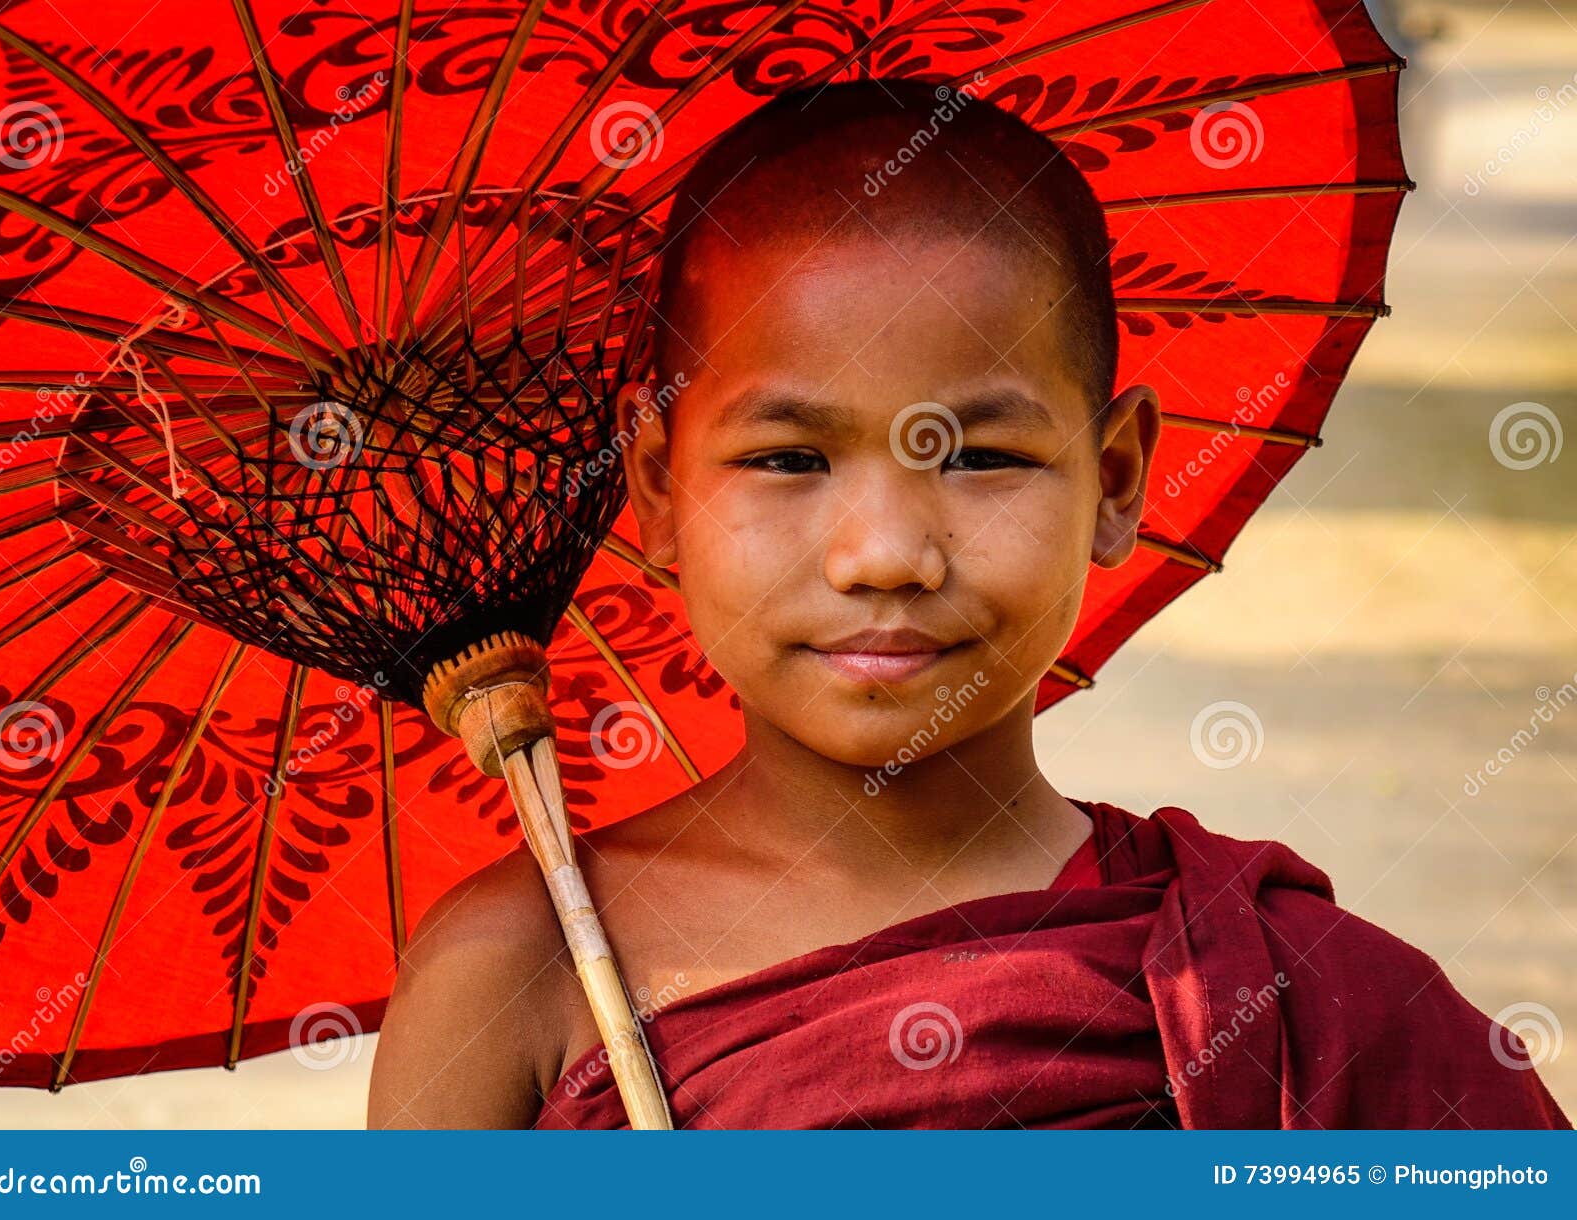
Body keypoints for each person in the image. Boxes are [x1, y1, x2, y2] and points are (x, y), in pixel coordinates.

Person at [367, 78, 1568, 1130]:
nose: (885, 555)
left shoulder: (1292, 991)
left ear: (1114, 479)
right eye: (788, 459)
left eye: (979, 457)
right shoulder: (519, 971)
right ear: (655, 489)